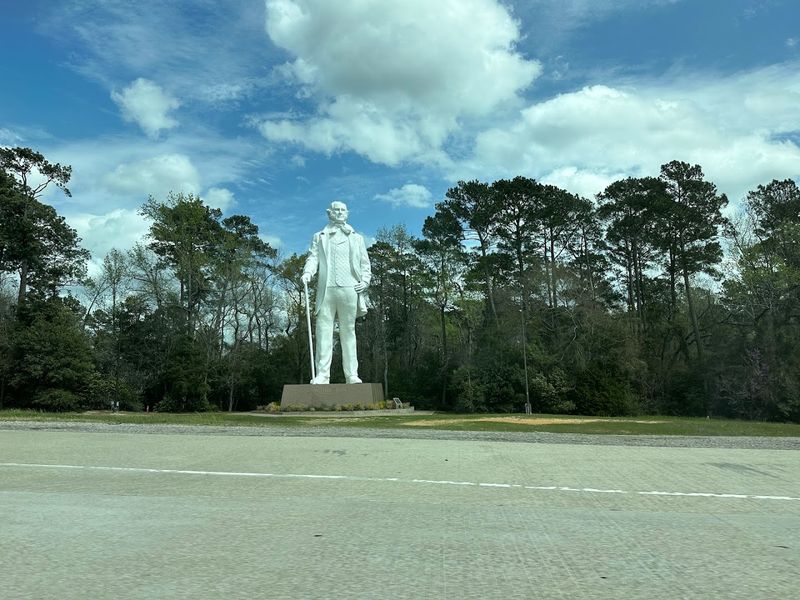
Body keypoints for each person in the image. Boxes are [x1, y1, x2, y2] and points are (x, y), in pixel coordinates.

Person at [301, 201, 371, 384]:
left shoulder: (357, 238)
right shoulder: (319, 236)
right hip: (326, 289)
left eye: (342, 210)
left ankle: (352, 375)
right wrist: (308, 272)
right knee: (324, 331)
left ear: (347, 213)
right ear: (329, 213)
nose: (339, 213)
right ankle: (322, 374)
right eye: (336, 210)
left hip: (349, 288)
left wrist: (365, 281)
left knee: (348, 331)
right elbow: (313, 257)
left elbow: (365, 264)